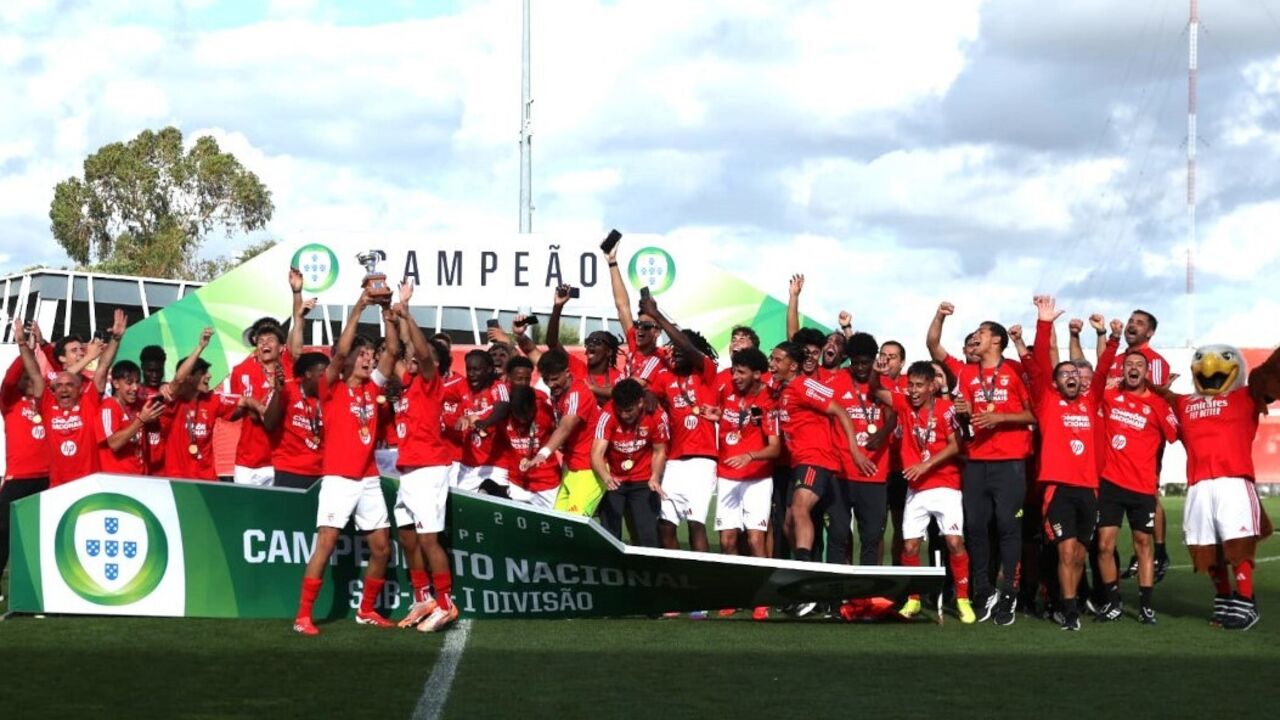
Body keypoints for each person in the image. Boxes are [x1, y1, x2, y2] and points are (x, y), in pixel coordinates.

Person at [1153, 343, 1280, 630]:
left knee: (1238, 543)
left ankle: (1246, 604)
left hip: (1233, 481)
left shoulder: (1246, 395)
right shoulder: (1186, 403)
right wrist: (1153, 386)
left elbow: (1271, 373)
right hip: (1198, 485)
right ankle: (1224, 600)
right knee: (1206, 546)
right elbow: (1164, 397)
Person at [293, 292, 400, 635]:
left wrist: (386, 310)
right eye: (363, 355)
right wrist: (359, 305)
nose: (369, 360)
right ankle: (303, 617)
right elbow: (339, 352)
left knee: (382, 548)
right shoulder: (332, 388)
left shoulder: (373, 388)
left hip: (368, 478)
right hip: (338, 478)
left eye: (371, 355)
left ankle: (366, 610)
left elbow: (394, 351)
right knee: (325, 544)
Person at [926, 300, 1034, 625]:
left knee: (1007, 527)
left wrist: (1000, 417)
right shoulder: (965, 371)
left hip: (1010, 463)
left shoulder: (1014, 370)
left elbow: (1034, 415)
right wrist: (940, 315)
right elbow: (933, 345)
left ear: (996, 340)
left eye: (983, 332)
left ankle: (1010, 594)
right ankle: (984, 590)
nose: (977, 336)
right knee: (975, 528)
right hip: (975, 461)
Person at [1026, 297, 1119, 631]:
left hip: (1088, 490)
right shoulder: (1047, 401)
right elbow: (1038, 364)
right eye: (1062, 373)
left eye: (1074, 373)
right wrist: (1044, 323)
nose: (1070, 376)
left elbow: (1105, 370)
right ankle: (1069, 612)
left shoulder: (1090, 401)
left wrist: (1113, 339)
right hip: (1058, 489)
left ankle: (1070, 602)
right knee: (1066, 551)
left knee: (1079, 554)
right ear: (1054, 382)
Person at [874, 360, 975, 623]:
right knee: (909, 546)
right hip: (916, 489)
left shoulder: (946, 409)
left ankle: (963, 599)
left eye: (920, 385)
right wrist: (877, 371)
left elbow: (956, 446)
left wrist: (925, 464)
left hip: (946, 485)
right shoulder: (904, 404)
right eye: (911, 386)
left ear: (932, 386)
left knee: (954, 542)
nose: (914, 391)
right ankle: (914, 600)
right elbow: (875, 389)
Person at [390, 291, 460, 633]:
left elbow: (417, 349)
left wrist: (409, 314)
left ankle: (446, 604)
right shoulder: (408, 383)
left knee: (429, 540)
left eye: (422, 355)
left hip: (430, 470)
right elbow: (401, 350)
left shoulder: (432, 382)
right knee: (406, 536)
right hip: (409, 471)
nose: (414, 357)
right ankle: (423, 596)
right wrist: (392, 314)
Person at [1092, 348, 1178, 624]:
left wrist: (1165, 396)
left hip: (1142, 487)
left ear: (1146, 372)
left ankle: (1146, 606)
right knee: (1104, 546)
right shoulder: (1109, 395)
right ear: (1123, 369)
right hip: (1111, 483)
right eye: (1128, 363)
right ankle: (1114, 603)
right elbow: (1093, 391)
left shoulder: (1158, 405)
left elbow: (1175, 434)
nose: (1133, 368)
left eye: (1139, 364)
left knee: (1143, 544)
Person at [771, 341, 870, 563]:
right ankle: (804, 561)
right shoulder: (783, 390)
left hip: (816, 459)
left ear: (793, 366)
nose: (772, 364)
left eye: (778, 360)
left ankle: (805, 567)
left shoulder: (803, 386)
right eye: (772, 359)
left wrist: (854, 451)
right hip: (799, 462)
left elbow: (841, 412)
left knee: (799, 507)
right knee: (787, 523)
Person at [638, 292, 720, 554]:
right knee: (666, 524)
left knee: (696, 524)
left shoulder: (706, 371)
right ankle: (674, 572)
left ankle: (702, 577)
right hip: (674, 461)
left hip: (702, 461)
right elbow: (649, 392)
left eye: (681, 349)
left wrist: (657, 315)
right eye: (672, 350)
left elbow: (685, 346)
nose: (676, 353)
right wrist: (649, 394)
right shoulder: (665, 377)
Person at [712, 347, 779, 621]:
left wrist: (750, 455)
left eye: (741, 372)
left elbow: (775, 448)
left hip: (758, 479)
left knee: (754, 539)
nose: (735, 377)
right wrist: (712, 414)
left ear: (756, 374)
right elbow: (725, 416)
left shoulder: (768, 401)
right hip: (727, 476)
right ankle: (734, 594)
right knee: (727, 540)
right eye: (733, 371)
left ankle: (762, 598)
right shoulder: (726, 392)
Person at [225, 269, 308, 487]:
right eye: (260, 340)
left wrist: (297, 293)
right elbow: (244, 412)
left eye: (270, 339)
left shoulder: (287, 366)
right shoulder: (241, 371)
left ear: (281, 347)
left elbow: (297, 330)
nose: (264, 344)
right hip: (247, 460)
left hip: (278, 459)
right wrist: (258, 408)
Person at [828, 332, 896, 565]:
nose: (859, 368)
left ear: (873, 359)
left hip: (874, 472)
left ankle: (865, 596)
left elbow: (893, 416)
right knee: (837, 535)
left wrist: (882, 434)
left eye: (865, 362)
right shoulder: (836, 380)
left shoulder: (884, 383)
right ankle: (835, 595)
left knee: (870, 537)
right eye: (855, 362)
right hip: (841, 472)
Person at [42, 310, 124, 487]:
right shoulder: (51, 379)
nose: (81, 352)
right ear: (61, 358)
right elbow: (60, 380)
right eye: (74, 350)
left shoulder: (89, 384)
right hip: (58, 479)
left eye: (82, 349)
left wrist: (116, 339)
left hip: (92, 475)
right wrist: (89, 356)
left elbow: (103, 367)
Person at [1, 320, 51, 589]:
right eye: (26, 376)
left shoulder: (47, 401)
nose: (29, 378)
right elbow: (10, 378)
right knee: (3, 531)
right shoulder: (10, 402)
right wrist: (24, 348)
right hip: (18, 477)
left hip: (47, 478)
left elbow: (55, 373)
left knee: (37, 535)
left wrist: (39, 346)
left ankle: (35, 588)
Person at [592, 378, 669, 547]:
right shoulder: (607, 414)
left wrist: (655, 477)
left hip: (644, 481)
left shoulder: (657, 415)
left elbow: (659, 451)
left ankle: (650, 571)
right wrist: (605, 477)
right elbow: (596, 453)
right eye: (620, 410)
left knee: (648, 536)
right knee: (608, 535)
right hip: (614, 480)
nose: (624, 415)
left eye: (628, 410)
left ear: (640, 402)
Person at [164, 328, 247, 481]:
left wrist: (259, 406)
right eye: (202, 372)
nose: (209, 375)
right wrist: (201, 346)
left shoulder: (211, 399)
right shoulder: (172, 400)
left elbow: (243, 401)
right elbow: (178, 380)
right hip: (178, 479)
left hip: (207, 479)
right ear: (189, 376)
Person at [532, 348, 603, 516]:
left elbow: (565, 427)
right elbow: (532, 353)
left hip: (588, 470)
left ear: (567, 372)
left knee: (573, 525)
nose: (550, 384)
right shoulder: (559, 391)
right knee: (559, 524)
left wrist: (543, 454)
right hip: (571, 467)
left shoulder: (577, 394)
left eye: (555, 379)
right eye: (546, 380)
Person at [263, 351, 330, 489]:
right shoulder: (288, 390)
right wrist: (278, 392)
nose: (326, 379)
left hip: (320, 473)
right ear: (308, 374)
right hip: (289, 470)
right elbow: (269, 424)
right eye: (322, 374)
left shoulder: (329, 397)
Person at [606, 240, 668, 384]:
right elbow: (623, 307)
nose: (639, 330)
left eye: (646, 326)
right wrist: (612, 262)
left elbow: (636, 386)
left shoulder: (658, 358)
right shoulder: (635, 342)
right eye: (638, 324)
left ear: (657, 332)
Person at [452, 350, 511, 495]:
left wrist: (484, 422)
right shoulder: (462, 385)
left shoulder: (498, 387)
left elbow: (503, 406)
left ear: (489, 369)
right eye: (469, 369)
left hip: (495, 464)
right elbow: (438, 391)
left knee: (488, 495)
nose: (471, 374)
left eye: (476, 369)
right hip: (468, 465)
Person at [97, 360, 164, 475]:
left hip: (140, 476)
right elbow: (114, 443)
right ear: (116, 383)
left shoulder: (139, 405)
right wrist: (141, 420)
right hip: (119, 480)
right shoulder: (108, 408)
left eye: (137, 382)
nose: (135, 388)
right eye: (129, 383)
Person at [504, 385, 561, 508]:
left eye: (526, 415)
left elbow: (560, 433)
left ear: (534, 405)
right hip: (517, 482)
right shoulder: (504, 416)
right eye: (518, 415)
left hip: (547, 482)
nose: (523, 420)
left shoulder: (546, 412)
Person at [138, 344, 169, 475]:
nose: (155, 375)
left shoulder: (171, 391)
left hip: (167, 464)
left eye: (158, 370)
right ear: (142, 368)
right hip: (141, 463)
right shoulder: (134, 393)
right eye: (150, 371)